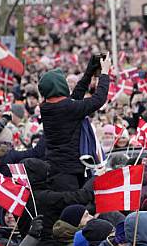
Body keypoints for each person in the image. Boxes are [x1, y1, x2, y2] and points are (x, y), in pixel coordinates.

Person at [38, 53, 111, 189]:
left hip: (58, 168)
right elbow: (98, 100)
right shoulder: (67, 108)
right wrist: (105, 74)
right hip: (68, 173)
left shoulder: (48, 106)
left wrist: (89, 72)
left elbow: (75, 97)